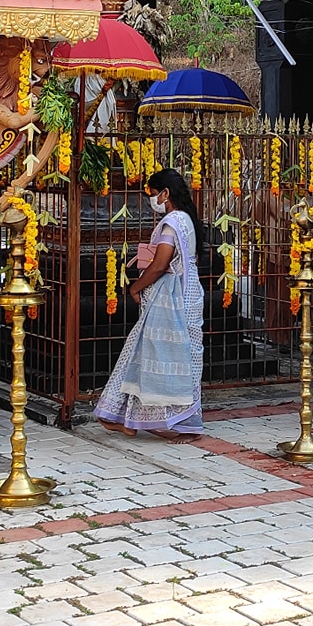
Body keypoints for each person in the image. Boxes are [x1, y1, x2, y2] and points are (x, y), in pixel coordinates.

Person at [97, 168, 207, 439]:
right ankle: (129, 419)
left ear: (165, 193)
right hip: (187, 293)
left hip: (171, 298)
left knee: (162, 357)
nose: (151, 199)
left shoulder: (173, 222)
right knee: (149, 354)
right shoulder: (187, 220)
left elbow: (160, 264)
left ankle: (167, 422)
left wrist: (136, 287)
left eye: (152, 194)